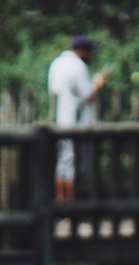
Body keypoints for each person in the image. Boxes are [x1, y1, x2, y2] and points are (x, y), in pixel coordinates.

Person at [47, 34, 107, 201]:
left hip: (60, 120)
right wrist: (99, 83)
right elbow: (88, 94)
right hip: (75, 122)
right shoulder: (78, 66)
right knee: (73, 165)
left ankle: (60, 203)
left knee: (61, 165)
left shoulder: (57, 64)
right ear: (82, 51)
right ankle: (70, 205)